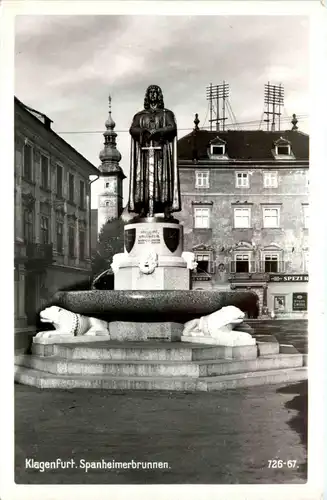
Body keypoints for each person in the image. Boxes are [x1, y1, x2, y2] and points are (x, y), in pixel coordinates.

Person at [128, 85, 181, 219]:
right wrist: (143, 132)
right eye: (150, 92)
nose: (153, 95)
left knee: (163, 177)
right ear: (147, 96)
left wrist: (158, 132)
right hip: (144, 154)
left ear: (160, 96)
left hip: (161, 152)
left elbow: (172, 128)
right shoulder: (139, 116)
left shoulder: (166, 113)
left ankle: (166, 208)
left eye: (155, 92)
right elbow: (133, 129)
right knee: (143, 178)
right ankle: (143, 208)